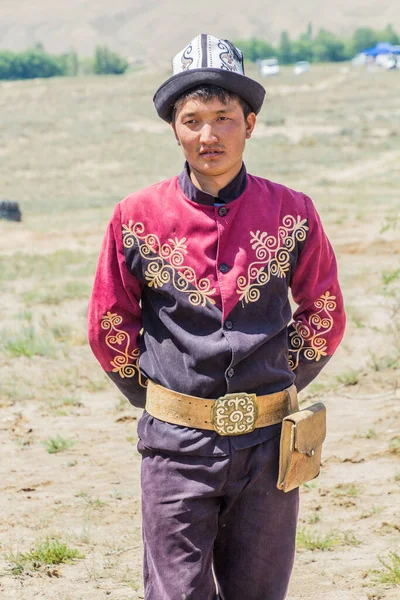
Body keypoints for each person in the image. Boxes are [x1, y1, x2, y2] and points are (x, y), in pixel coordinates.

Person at [87, 34, 346, 600]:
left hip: (270, 445)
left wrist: (276, 382)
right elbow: (110, 324)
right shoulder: (136, 217)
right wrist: (165, 398)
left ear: (250, 123)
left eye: (224, 118)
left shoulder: (293, 212)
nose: (209, 135)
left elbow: (324, 313)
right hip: (174, 448)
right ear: (174, 129)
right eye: (193, 119)